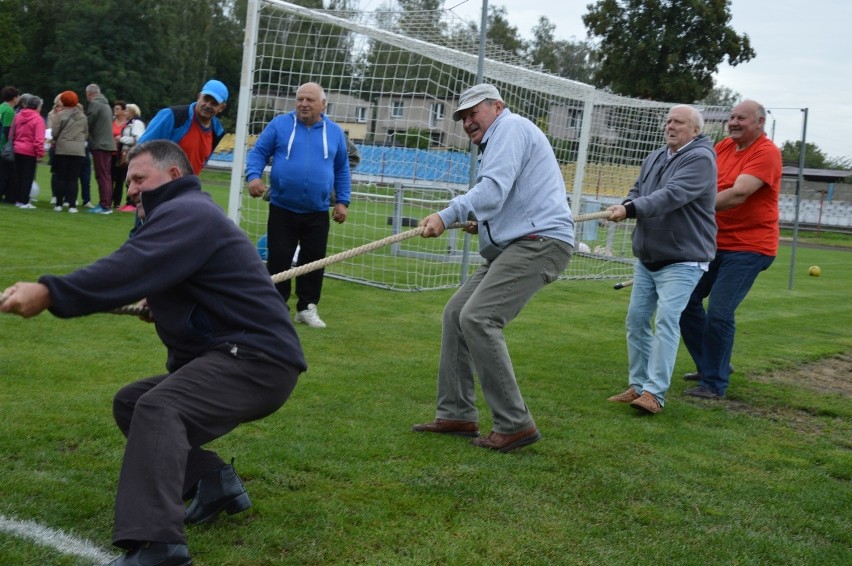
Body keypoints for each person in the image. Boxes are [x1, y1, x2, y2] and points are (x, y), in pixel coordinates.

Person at [0, 140, 306, 566]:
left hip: (257, 361)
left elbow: (132, 265)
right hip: (238, 355)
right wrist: (161, 304)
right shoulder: (182, 215)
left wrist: (51, 291)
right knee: (132, 402)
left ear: (174, 177)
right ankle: (211, 480)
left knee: (160, 408)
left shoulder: (189, 213)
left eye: (140, 179)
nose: (131, 190)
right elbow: (177, 279)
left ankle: (159, 545)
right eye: (128, 182)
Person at [411, 83, 575, 452]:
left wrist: (447, 213)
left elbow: (493, 190)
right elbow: (504, 199)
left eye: (474, 113)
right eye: (463, 117)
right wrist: (479, 223)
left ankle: (515, 424)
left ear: (497, 107)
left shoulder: (511, 128)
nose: (468, 122)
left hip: (540, 243)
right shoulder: (501, 138)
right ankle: (456, 414)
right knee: (456, 314)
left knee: (479, 318)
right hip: (516, 244)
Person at [605, 105, 717, 414]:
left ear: (695, 130)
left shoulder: (700, 159)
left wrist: (631, 209)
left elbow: (672, 195)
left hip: (683, 258)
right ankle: (638, 386)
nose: (670, 126)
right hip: (648, 257)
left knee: (667, 321)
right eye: (668, 121)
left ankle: (655, 394)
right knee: (637, 320)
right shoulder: (654, 156)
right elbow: (638, 190)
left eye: (678, 122)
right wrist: (626, 203)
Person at [679, 100, 782, 400]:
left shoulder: (766, 152)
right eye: (732, 117)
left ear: (760, 123)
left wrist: (690, 207)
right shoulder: (722, 147)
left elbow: (738, 194)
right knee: (686, 302)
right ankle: (711, 365)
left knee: (720, 312)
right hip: (713, 243)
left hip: (750, 248)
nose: (734, 122)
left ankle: (714, 384)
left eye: (742, 118)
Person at [245, 82, 351, 329]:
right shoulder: (280, 125)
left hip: (318, 210)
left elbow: (342, 169)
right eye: (300, 99)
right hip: (283, 207)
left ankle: (307, 308)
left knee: (313, 260)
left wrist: (343, 202)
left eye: (309, 100)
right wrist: (253, 177)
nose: (303, 104)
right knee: (279, 259)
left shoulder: (335, 133)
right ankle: (276, 308)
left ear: (323, 104)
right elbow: (258, 153)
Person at [138, 79, 228, 175]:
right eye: (206, 99)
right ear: (199, 97)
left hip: (186, 188)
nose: (208, 105)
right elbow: (141, 149)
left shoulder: (217, 132)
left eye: (214, 103)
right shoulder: (172, 116)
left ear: (221, 108)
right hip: (158, 185)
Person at [50, 91, 88, 213]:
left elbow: (54, 133)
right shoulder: (83, 117)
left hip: (63, 149)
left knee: (61, 177)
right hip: (78, 150)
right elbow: (86, 133)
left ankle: (59, 204)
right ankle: (72, 206)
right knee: (73, 179)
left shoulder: (60, 115)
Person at [11, 94, 45, 209]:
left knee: (18, 176)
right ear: (37, 107)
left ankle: (16, 199)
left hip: (17, 149)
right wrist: (40, 153)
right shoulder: (38, 119)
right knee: (27, 178)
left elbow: (12, 132)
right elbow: (39, 139)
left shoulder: (18, 115)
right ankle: (24, 201)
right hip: (29, 152)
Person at [85, 84, 115, 214]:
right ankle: (106, 203)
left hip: (100, 144)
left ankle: (104, 205)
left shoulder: (95, 104)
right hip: (108, 144)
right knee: (106, 175)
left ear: (89, 94)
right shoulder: (106, 105)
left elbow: (88, 123)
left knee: (101, 175)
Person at [115, 103, 146, 210]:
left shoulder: (136, 123)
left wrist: (122, 139)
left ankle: (133, 204)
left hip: (134, 154)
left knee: (133, 179)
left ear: (133, 112)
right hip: (130, 154)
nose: (125, 112)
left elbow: (138, 139)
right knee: (128, 179)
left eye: (127, 111)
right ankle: (129, 202)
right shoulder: (131, 123)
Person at [0, 86, 21, 204]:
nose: (18, 99)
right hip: (3, 147)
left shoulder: (1, 107)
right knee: (5, 173)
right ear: (13, 98)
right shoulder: (9, 111)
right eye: (18, 97)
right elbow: (8, 130)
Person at [110, 100, 128, 209]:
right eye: (114, 108)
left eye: (117, 109)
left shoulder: (127, 124)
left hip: (122, 155)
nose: (115, 110)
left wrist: (120, 139)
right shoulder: (111, 121)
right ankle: (108, 200)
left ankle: (116, 203)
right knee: (110, 178)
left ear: (123, 111)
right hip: (111, 153)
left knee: (120, 179)